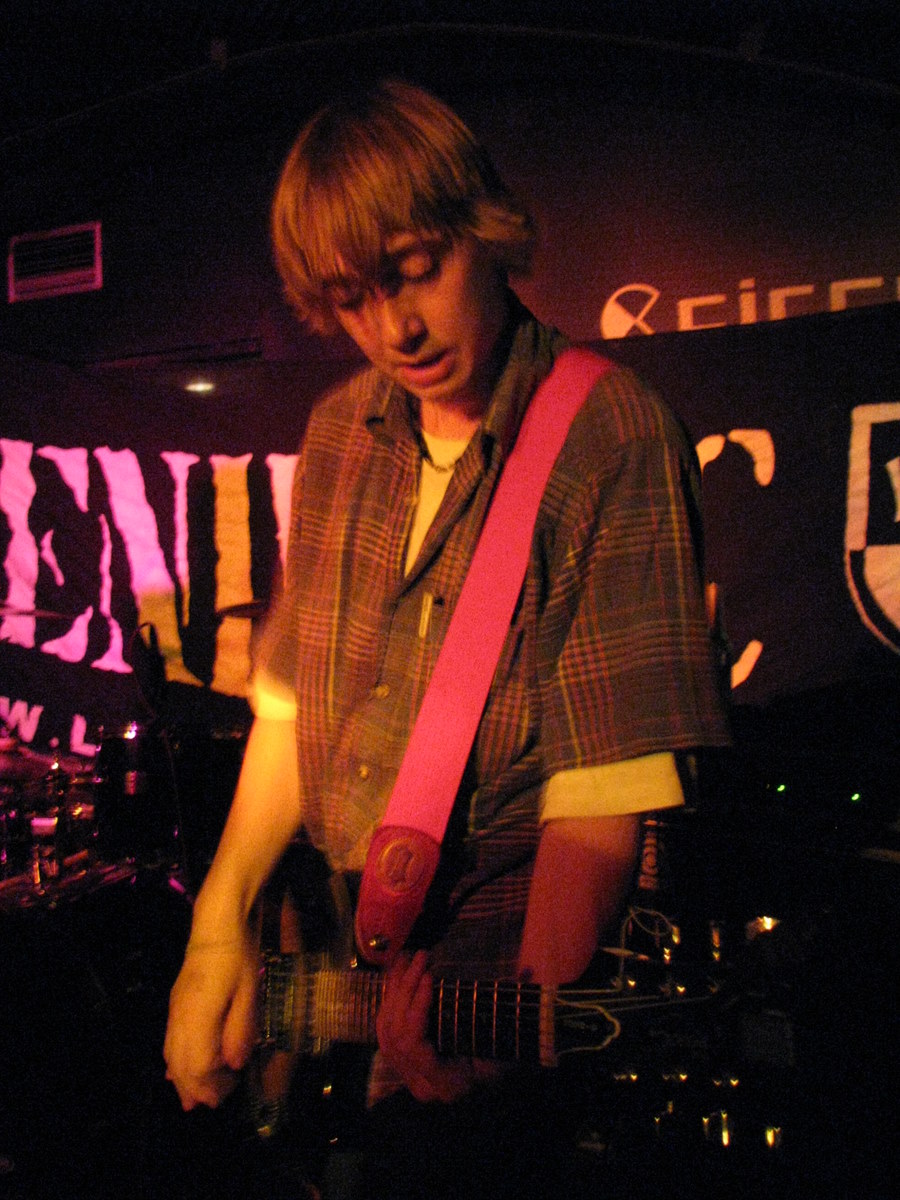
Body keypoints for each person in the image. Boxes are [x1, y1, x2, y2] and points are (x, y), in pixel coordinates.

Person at [164, 78, 729, 1198]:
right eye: (354, 301)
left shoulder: (611, 434)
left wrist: (514, 1025)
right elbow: (292, 705)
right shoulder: (341, 430)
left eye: (415, 271)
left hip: (499, 964)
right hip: (349, 954)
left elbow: (601, 795)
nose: (395, 331)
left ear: (485, 229)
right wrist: (218, 924)